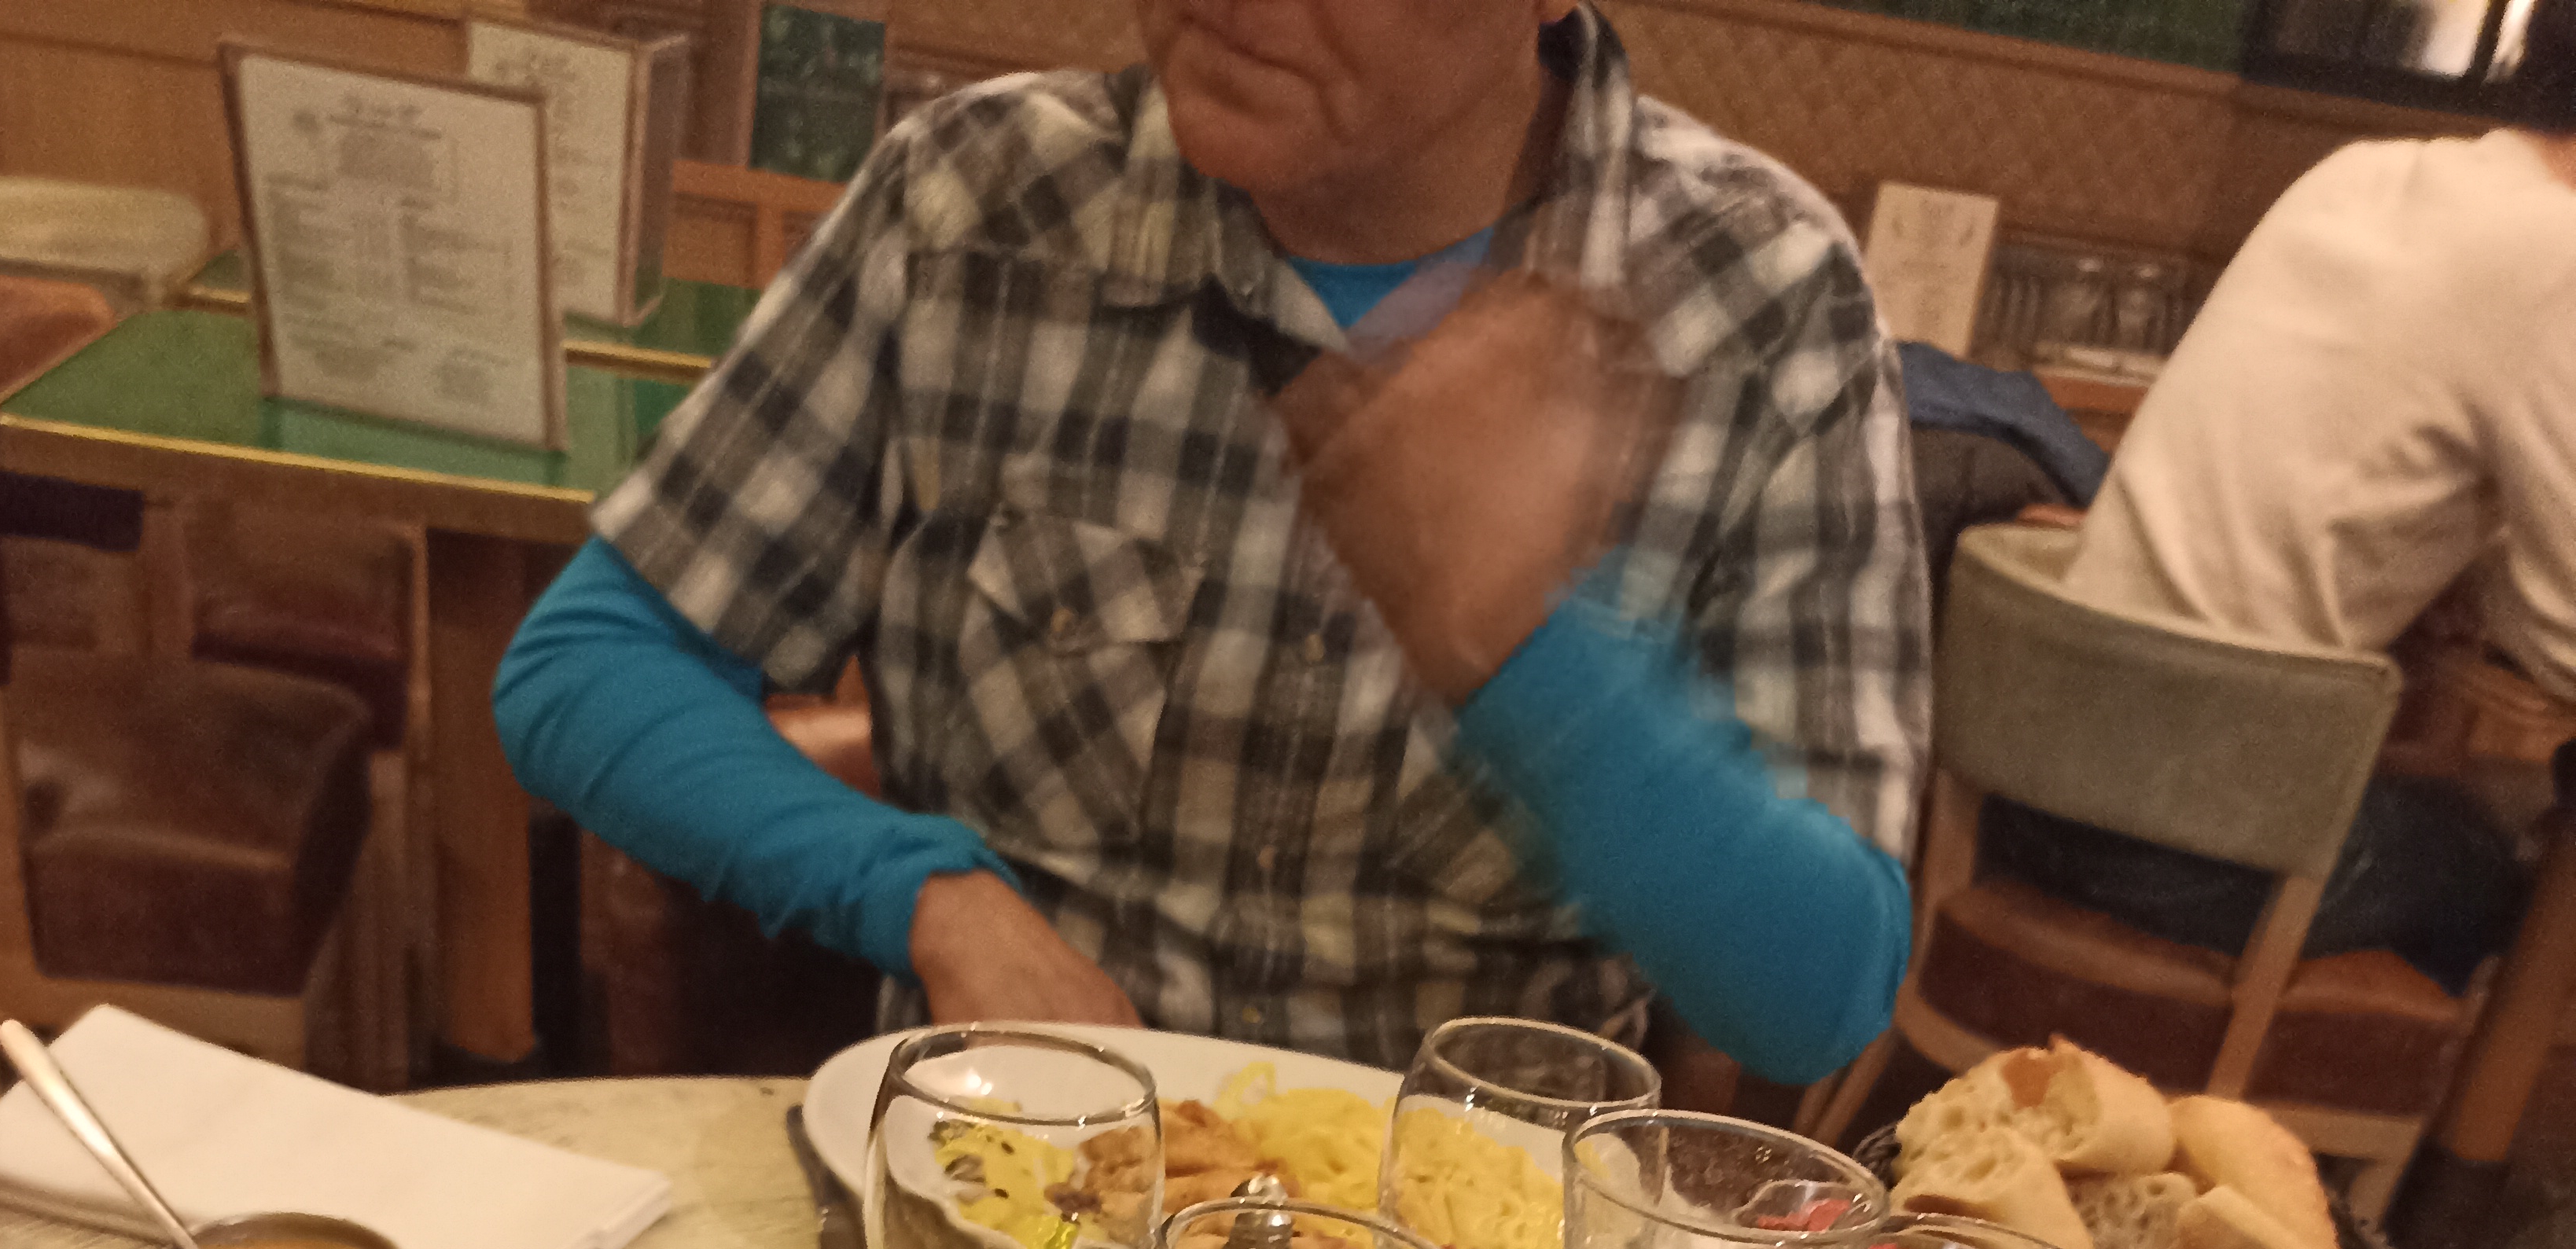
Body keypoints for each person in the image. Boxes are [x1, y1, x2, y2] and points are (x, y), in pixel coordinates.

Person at [494, 0, 1926, 1082]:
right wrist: (926, 893)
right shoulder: (971, 203)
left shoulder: (1760, 298)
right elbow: (588, 665)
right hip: (1010, 1214)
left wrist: (1528, 651)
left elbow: (1813, 1005)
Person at [1985, 0, 2576, 999]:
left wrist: (2473, 570)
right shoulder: (2555, 253)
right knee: (2501, 864)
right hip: (2185, 851)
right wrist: (2504, 585)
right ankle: (2292, 1094)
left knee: (2454, 798)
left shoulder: (2359, 176)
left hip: (2023, 782)